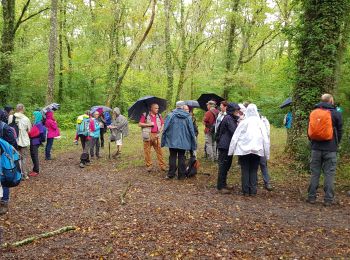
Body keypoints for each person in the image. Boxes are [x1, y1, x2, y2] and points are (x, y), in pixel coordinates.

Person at [307, 94, 342, 206]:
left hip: (316, 148)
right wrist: (336, 144)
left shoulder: (314, 112)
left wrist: (312, 142)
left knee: (315, 173)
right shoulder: (336, 114)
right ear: (331, 100)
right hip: (331, 149)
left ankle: (311, 197)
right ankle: (328, 199)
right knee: (329, 174)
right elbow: (340, 131)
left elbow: (310, 130)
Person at [228, 104, 270, 196]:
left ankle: (246, 191)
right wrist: (266, 154)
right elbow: (265, 139)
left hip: (244, 150)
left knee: (245, 170)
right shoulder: (260, 123)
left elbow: (235, 137)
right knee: (254, 170)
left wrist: (231, 151)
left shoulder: (244, 122)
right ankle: (253, 191)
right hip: (257, 150)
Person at [161, 101, 196, 179]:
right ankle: (181, 175)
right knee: (181, 157)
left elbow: (165, 128)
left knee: (172, 156)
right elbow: (191, 130)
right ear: (182, 106)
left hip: (172, 140)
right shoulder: (188, 116)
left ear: (176, 106)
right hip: (183, 141)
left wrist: (164, 138)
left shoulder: (170, 115)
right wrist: (193, 140)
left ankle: (171, 174)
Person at [216, 103, 240, 194]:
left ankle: (224, 184)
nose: (237, 112)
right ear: (231, 110)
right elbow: (234, 131)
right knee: (223, 166)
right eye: (236, 111)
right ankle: (221, 186)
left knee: (227, 165)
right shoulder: (228, 118)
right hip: (225, 145)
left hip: (227, 145)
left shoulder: (230, 118)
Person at [139, 103, 166, 172]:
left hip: (156, 135)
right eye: (156, 108)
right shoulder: (145, 115)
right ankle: (149, 165)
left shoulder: (159, 115)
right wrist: (149, 124)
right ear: (151, 108)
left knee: (159, 151)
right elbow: (140, 124)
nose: (157, 109)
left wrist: (160, 131)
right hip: (148, 135)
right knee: (147, 151)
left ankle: (162, 166)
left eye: (158, 108)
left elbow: (163, 123)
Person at [8, 104, 31, 179]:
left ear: (16, 109)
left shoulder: (11, 117)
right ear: (23, 109)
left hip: (14, 140)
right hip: (23, 141)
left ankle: (17, 175)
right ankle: (25, 175)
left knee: (14, 157)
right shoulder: (26, 119)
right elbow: (29, 130)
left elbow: (8, 128)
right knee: (24, 157)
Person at [0, 118, 17, 215]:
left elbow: (11, 142)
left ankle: (4, 203)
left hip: (3, 157)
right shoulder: (5, 126)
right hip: (4, 156)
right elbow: (13, 142)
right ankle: (4, 203)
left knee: (4, 178)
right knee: (4, 179)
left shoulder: (4, 127)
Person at [259, 112, 273, 191]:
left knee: (263, 164)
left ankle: (267, 182)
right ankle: (253, 182)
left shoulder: (264, 122)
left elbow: (267, 134)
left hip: (262, 147)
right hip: (254, 148)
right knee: (253, 166)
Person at [28, 111, 46, 177]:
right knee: (33, 155)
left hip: (35, 141)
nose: (33, 116)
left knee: (34, 155)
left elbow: (41, 133)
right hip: (34, 141)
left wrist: (40, 140)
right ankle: (34, 169)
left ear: (37, 116)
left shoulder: (39, 123)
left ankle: (36, 170)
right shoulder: (36, 123)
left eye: (34, 115)